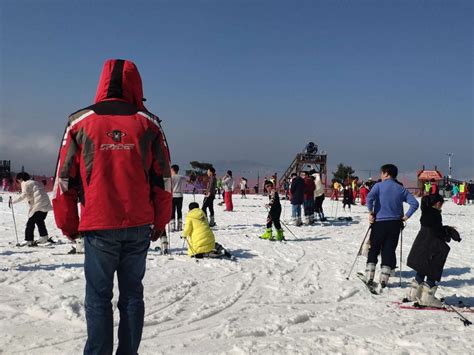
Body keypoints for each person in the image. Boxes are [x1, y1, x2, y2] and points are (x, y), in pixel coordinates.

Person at [52, 59, 172, 355]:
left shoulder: (79, 122)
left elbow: (63, 180)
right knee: (132, 296)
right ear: (136, 85)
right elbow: (164, 180)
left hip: (98, 224)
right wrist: (160, 221)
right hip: (138, 224)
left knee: (98, 298)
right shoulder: (150, 124)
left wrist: (68, 223)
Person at [365, 164, 419, 288]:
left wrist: (371, 212)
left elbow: (369, 199)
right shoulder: (400, 189)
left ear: (386, 173)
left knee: (374, 248)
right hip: (395, 224)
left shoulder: (378, 186)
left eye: (381, 173)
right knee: (389, 250)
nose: (381, 175)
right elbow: (414, 203)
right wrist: (406, 216)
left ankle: (369, 276)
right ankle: (384, 279)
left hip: (379, 222)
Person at [406, 194, 461, 307]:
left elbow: (432, 228)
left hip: (422, 244)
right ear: (438, 203)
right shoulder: (435, 214)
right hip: (432, 246)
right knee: (433, 268)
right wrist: (447, 233)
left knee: (422, 267)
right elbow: (437, 232)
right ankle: (428, 297)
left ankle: (414, 293)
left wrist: (446, 228)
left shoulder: (425, 212)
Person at [9, 172, 53, 246]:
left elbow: (23, 195)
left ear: (21, 179)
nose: (18, 182)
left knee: (30, 223)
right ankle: (44, 237)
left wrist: (12, 201)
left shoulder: (25, 183)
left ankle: (29, 240)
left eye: (18, 180)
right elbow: (34, 195)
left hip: (40, 204)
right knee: (39, 220)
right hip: (46, 203)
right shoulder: (35, 182)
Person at [170, 164, 188, 232]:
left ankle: (172, 225)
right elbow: (188, 181)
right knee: (179, 210)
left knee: (172, 211)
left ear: (172, 170)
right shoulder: (182, 177)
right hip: (180, 195)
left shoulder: (171, 177)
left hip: (173, 196)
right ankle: (180, 226)